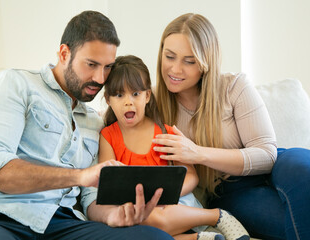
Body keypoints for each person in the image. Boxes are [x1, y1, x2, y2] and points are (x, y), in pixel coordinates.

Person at [0, 11, 173, 240]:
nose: (100, 78)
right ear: (64, 53)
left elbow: (90, 198)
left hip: (61, 224)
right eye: (91, 64)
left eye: (107, 67)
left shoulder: (94, 123)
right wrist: (78, 176)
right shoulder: (17, 85)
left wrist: (112, 215)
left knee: (155, 238)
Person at [152, 12, 310, 240]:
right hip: (233, 191)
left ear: (206, 63)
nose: (175, 69)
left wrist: (197, 153)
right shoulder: (153, 102)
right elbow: (116, 112)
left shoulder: (233, 86)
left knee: (304, 171)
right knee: (289, 222)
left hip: (279, 165)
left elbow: (267, 155)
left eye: (190, 61)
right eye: (170, 57)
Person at [98, 55, 250, 240]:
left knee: (156, 216)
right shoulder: (107, 136)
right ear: (108, 100)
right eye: (119, 95)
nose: (128, 102)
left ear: (147, 96)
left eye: (135, 94)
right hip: (137, 209)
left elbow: (191, 175)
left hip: (174, 204)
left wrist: (167, 195)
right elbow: (108, 183)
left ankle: (216, 216)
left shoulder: (164, 132)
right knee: (139, 223)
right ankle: (198, 238)